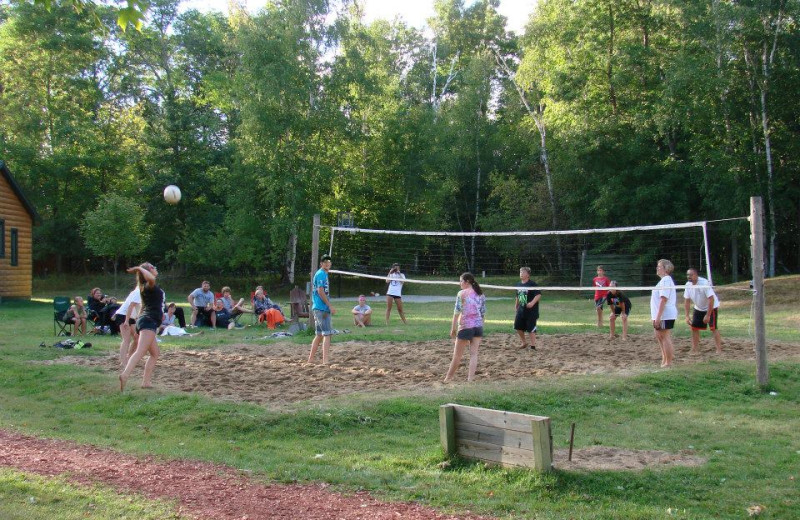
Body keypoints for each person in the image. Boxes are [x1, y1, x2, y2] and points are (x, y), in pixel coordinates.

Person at [119, 263, 164, 391]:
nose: (155, 268)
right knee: (140, 351)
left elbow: (143, 307)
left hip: (146, 321)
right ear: (147, 271)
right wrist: (139, 268)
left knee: (155, 353)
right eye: (153, 267)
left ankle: (146, 382)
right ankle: (125, 374)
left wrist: (139, 323)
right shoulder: (149, 285)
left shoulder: (144, 287)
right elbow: (152, 279)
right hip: (148, 321)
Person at [443, 273, 486, 383]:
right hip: (478, 327)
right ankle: (470, 380)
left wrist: (452, 328)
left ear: (467, 282)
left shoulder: (461, 293)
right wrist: (481, 326)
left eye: (461, 281)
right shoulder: (481, 294)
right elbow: (483, 313)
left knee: (457, 355)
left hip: (466, 326)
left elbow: (456, 312)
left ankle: (448, 378)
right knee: (474, 354)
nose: (459, 283)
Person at [684, 268, 722, 354]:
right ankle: (695, 349)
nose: (689, 277)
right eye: (687, 275)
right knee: (694, 328)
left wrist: (708, 315)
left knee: (713, 328)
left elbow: (711, 299)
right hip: (698, 307)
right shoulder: (688, 285)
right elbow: (687, 300)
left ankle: (719, 349)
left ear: (696, 275)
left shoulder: (704, 283)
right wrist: (686, 316)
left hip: (711, 307)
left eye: (691, 275)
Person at [308, 254, 335, 364]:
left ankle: (310, 360)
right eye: (325, 262)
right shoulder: (321, 274)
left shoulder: (323, 274)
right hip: (321, 308)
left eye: (328, 262)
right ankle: (325, 361)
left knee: (319, 335)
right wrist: (329, 306)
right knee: (327, 334)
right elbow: (320, 291)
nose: (327, 263)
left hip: (319, 308)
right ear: (321, 264)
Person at [651, 259, 677, 368]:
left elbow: (663, 299)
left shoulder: (666, 280)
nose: (657, 268)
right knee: (659, 336)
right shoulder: (662, 281)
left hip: (665, 314)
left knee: (665, 336)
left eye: (659, 266)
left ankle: (668, 362)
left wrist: (658, 317)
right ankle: (664, 359)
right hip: (660, 314)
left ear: (665, 269)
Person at [113, 285, 141, 368]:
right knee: (126, 340)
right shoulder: (138, 292)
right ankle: (123, 362)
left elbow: (137, 308)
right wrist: (126, 321)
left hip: (130, 316)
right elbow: (130, 306)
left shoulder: (141, 292)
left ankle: (130, 358)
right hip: (123, 315)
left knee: (137, 338)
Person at [514, 266, 541, 350]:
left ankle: (533, 346)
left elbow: (538, 295)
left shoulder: (532, 284)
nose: (521, 274)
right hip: (521, 309)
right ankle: (524, 342)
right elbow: (518, 296)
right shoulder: (518, 284)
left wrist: (532, 303)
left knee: (531, 328)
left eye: (523, 272)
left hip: (531, 311)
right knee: (517, 326)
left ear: (528, 275)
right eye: (520, 272)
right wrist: (516, 305)